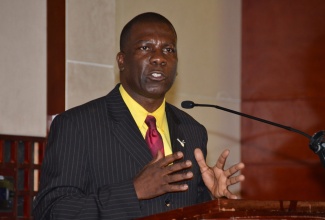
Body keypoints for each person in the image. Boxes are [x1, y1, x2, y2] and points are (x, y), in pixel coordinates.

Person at [32, 12, 245, 220]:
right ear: (122, 60)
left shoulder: (192, 131)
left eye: (168, 50)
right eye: (145, 48)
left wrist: (214, 200)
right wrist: (132, 191)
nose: (159, 58)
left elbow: (187, 209)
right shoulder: (77, 125)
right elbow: (52, 210)